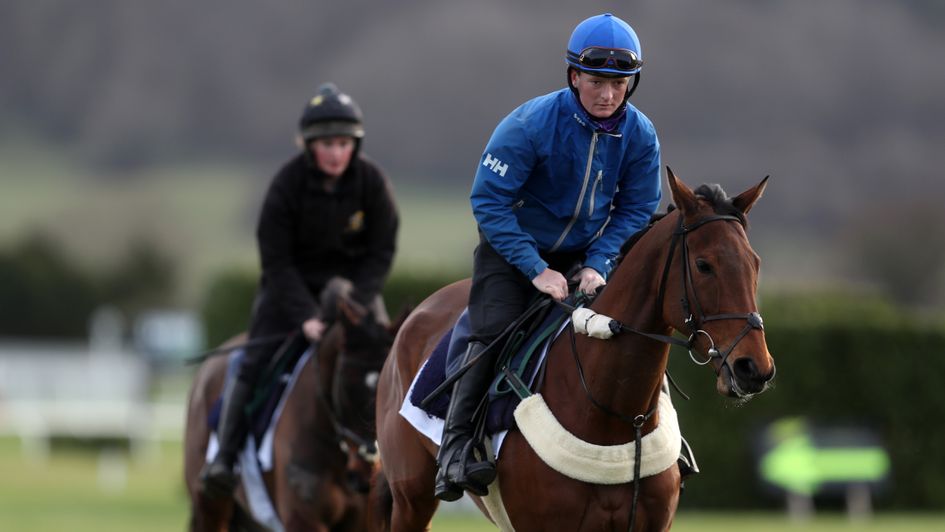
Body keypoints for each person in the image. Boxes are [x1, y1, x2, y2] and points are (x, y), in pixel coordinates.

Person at [434, 13, 663, 501]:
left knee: (633, 324)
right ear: (574, 76)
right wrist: (536, 270)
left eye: (619, 84)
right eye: (597, 82)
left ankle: (665, 446)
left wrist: (598, 261)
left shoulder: (641, 135)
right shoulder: (531, 123)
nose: (607, 95)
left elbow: (638, 208)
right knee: (492, 331)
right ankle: (454, 451)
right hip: (512, 250)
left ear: (632, 83)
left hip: (585, 253)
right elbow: (488, 202)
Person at [200, 82, 399, 498]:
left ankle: (400, 457)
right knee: (252, 362)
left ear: (354, 145)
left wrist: (357, 306)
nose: (336, 152)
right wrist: (305, 317)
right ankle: (225, 458)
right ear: (309, 145)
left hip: (355, 296)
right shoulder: (285, 186)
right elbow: (275, 260)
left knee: (384, 365)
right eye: (327, 143)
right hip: (290, 294)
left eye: (344, 143)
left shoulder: (373, 184)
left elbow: (381, 252)